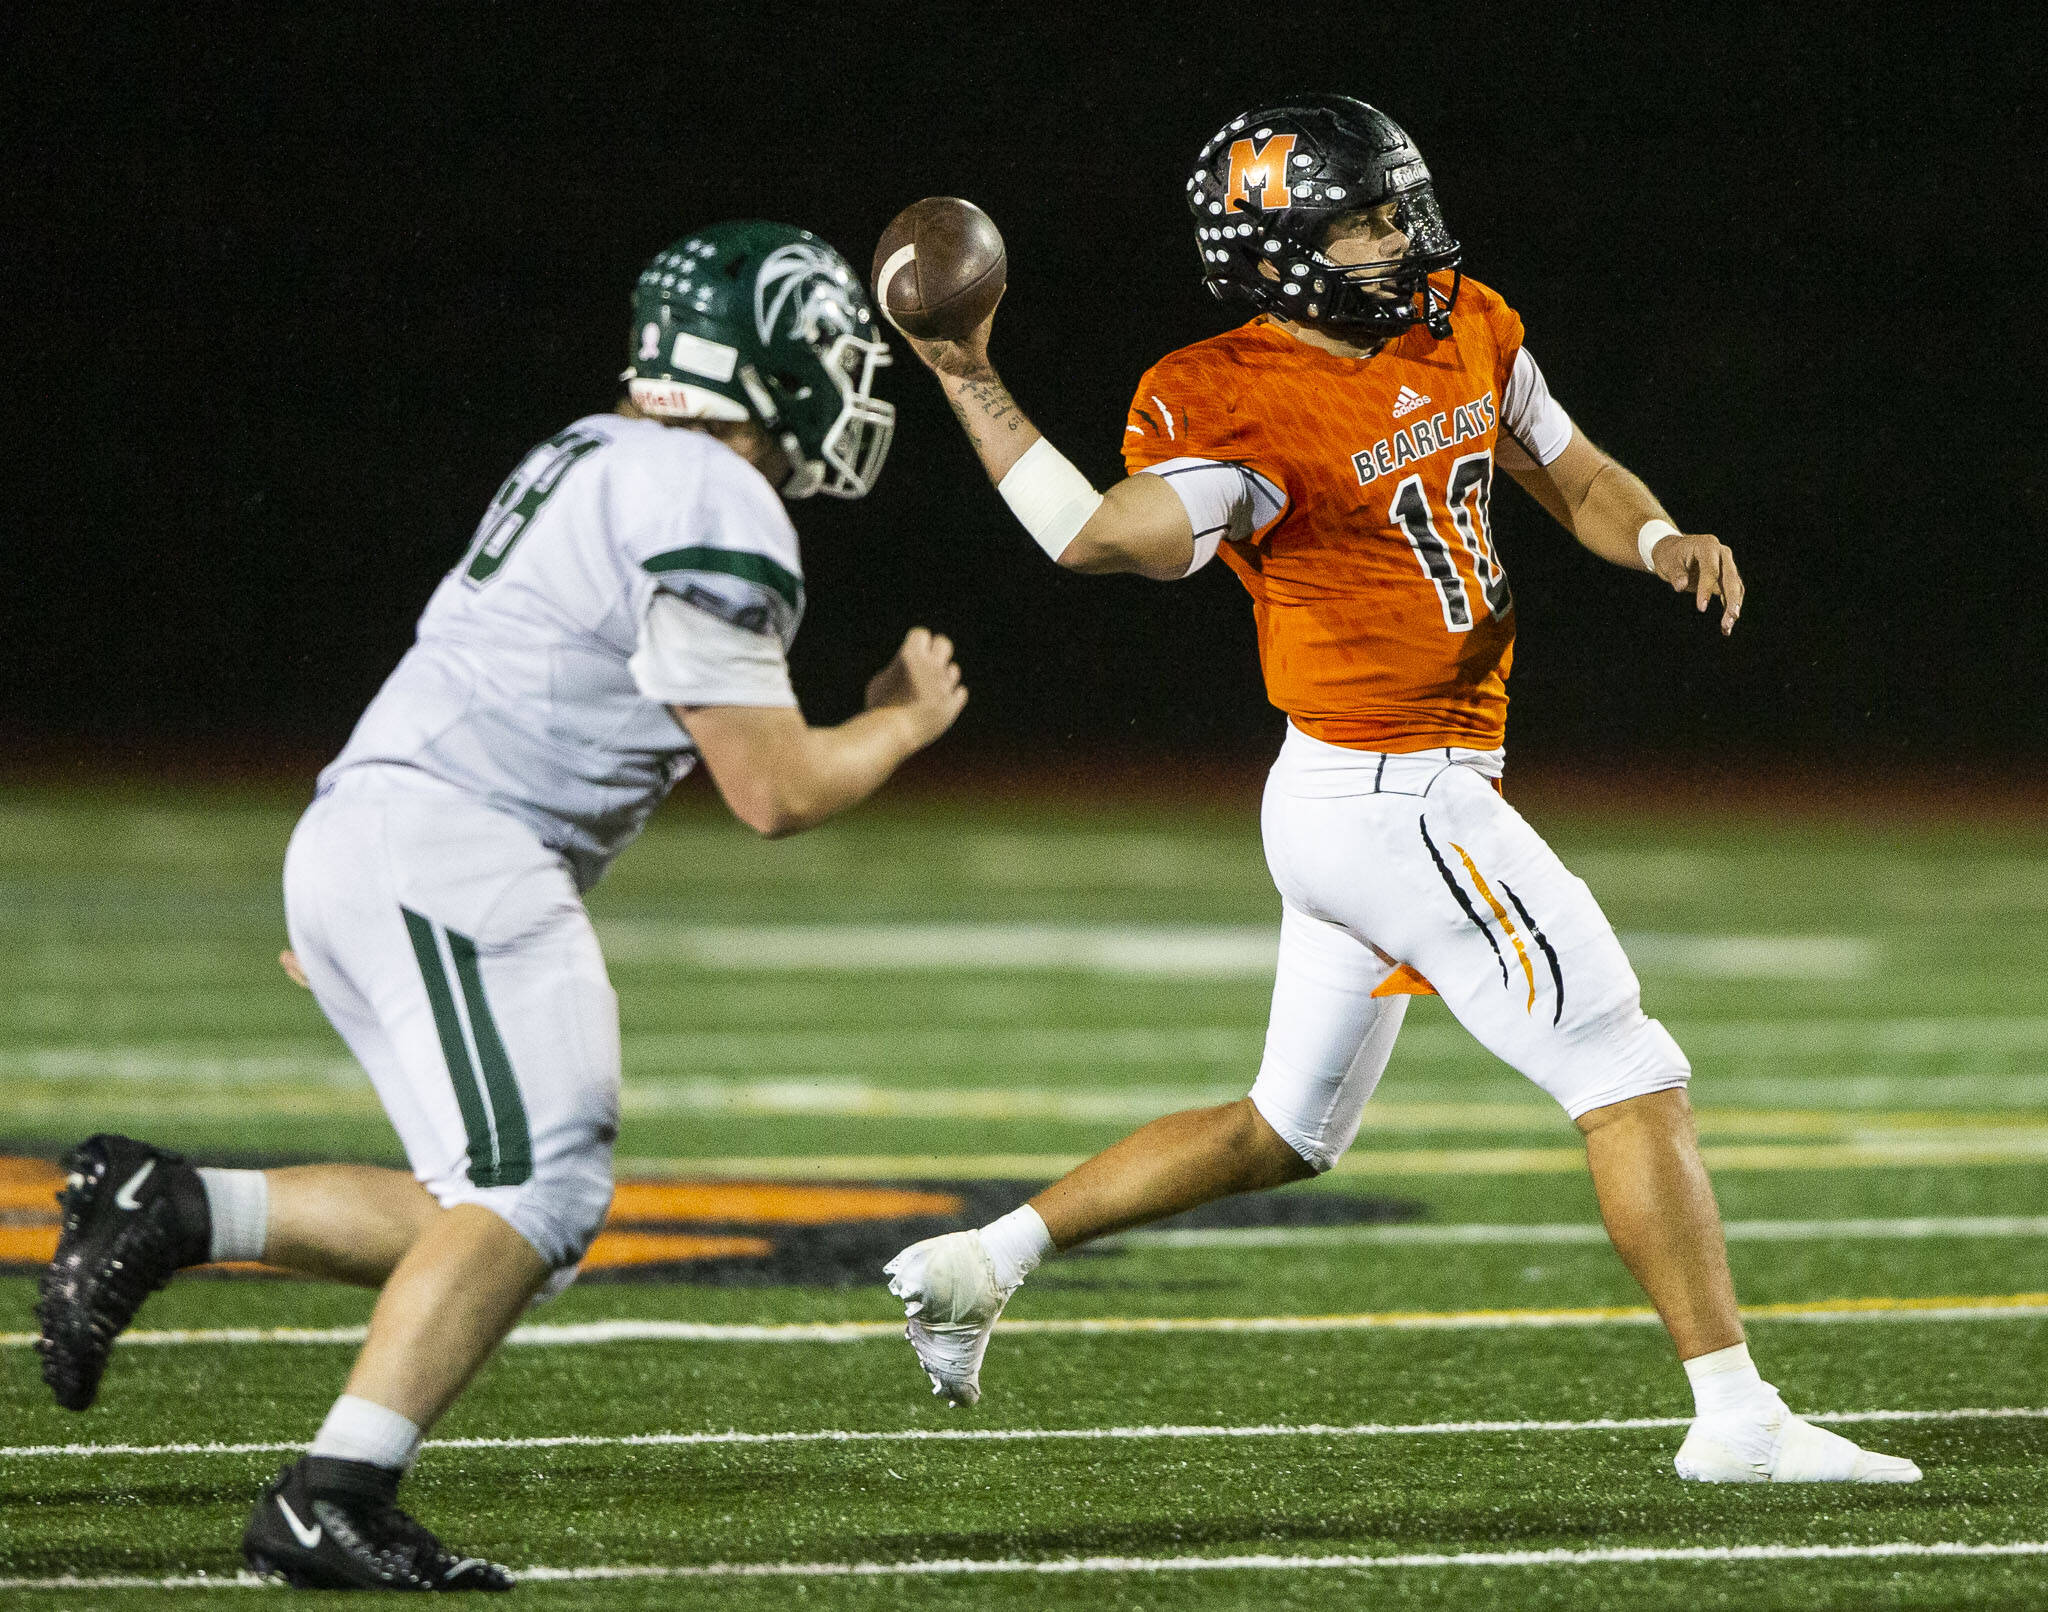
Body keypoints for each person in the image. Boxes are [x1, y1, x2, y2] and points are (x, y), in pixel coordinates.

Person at [883, 95, 1917, 1486]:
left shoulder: (1463, 322)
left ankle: (980, 1261)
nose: (1399, 236)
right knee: (1628, 1074)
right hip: (1396, 798)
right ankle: (1736, 1418)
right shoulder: (1228, 390)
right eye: (1365, 219)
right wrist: (965, 373)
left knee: (1283, 1132)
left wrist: (1663, 536)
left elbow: (1571, 468)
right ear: (1274, 248)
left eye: (1396, 205)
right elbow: (1090, 536)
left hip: (1355, 803)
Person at [36, 221, 968, 1590]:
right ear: (759, 354)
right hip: (449, 846)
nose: (842, 381)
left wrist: (367, 882)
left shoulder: (589, 452)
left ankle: (172, 1207)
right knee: (538, 1189)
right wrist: (898, 724)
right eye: (825, 348)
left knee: (503, 1219)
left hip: (391, 829)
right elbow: (771, 791)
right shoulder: (712, 499)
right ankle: (332, 1492)